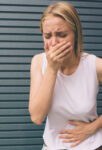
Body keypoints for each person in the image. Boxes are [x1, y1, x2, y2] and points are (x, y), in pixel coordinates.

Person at [29, 2, 102, 150]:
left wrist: (93, 127)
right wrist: (51, 68)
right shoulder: (38, 62)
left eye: (61, 35)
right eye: (47, 36)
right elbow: (37, 117)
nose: (54, 43)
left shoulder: (94, 65)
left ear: (76, 35)